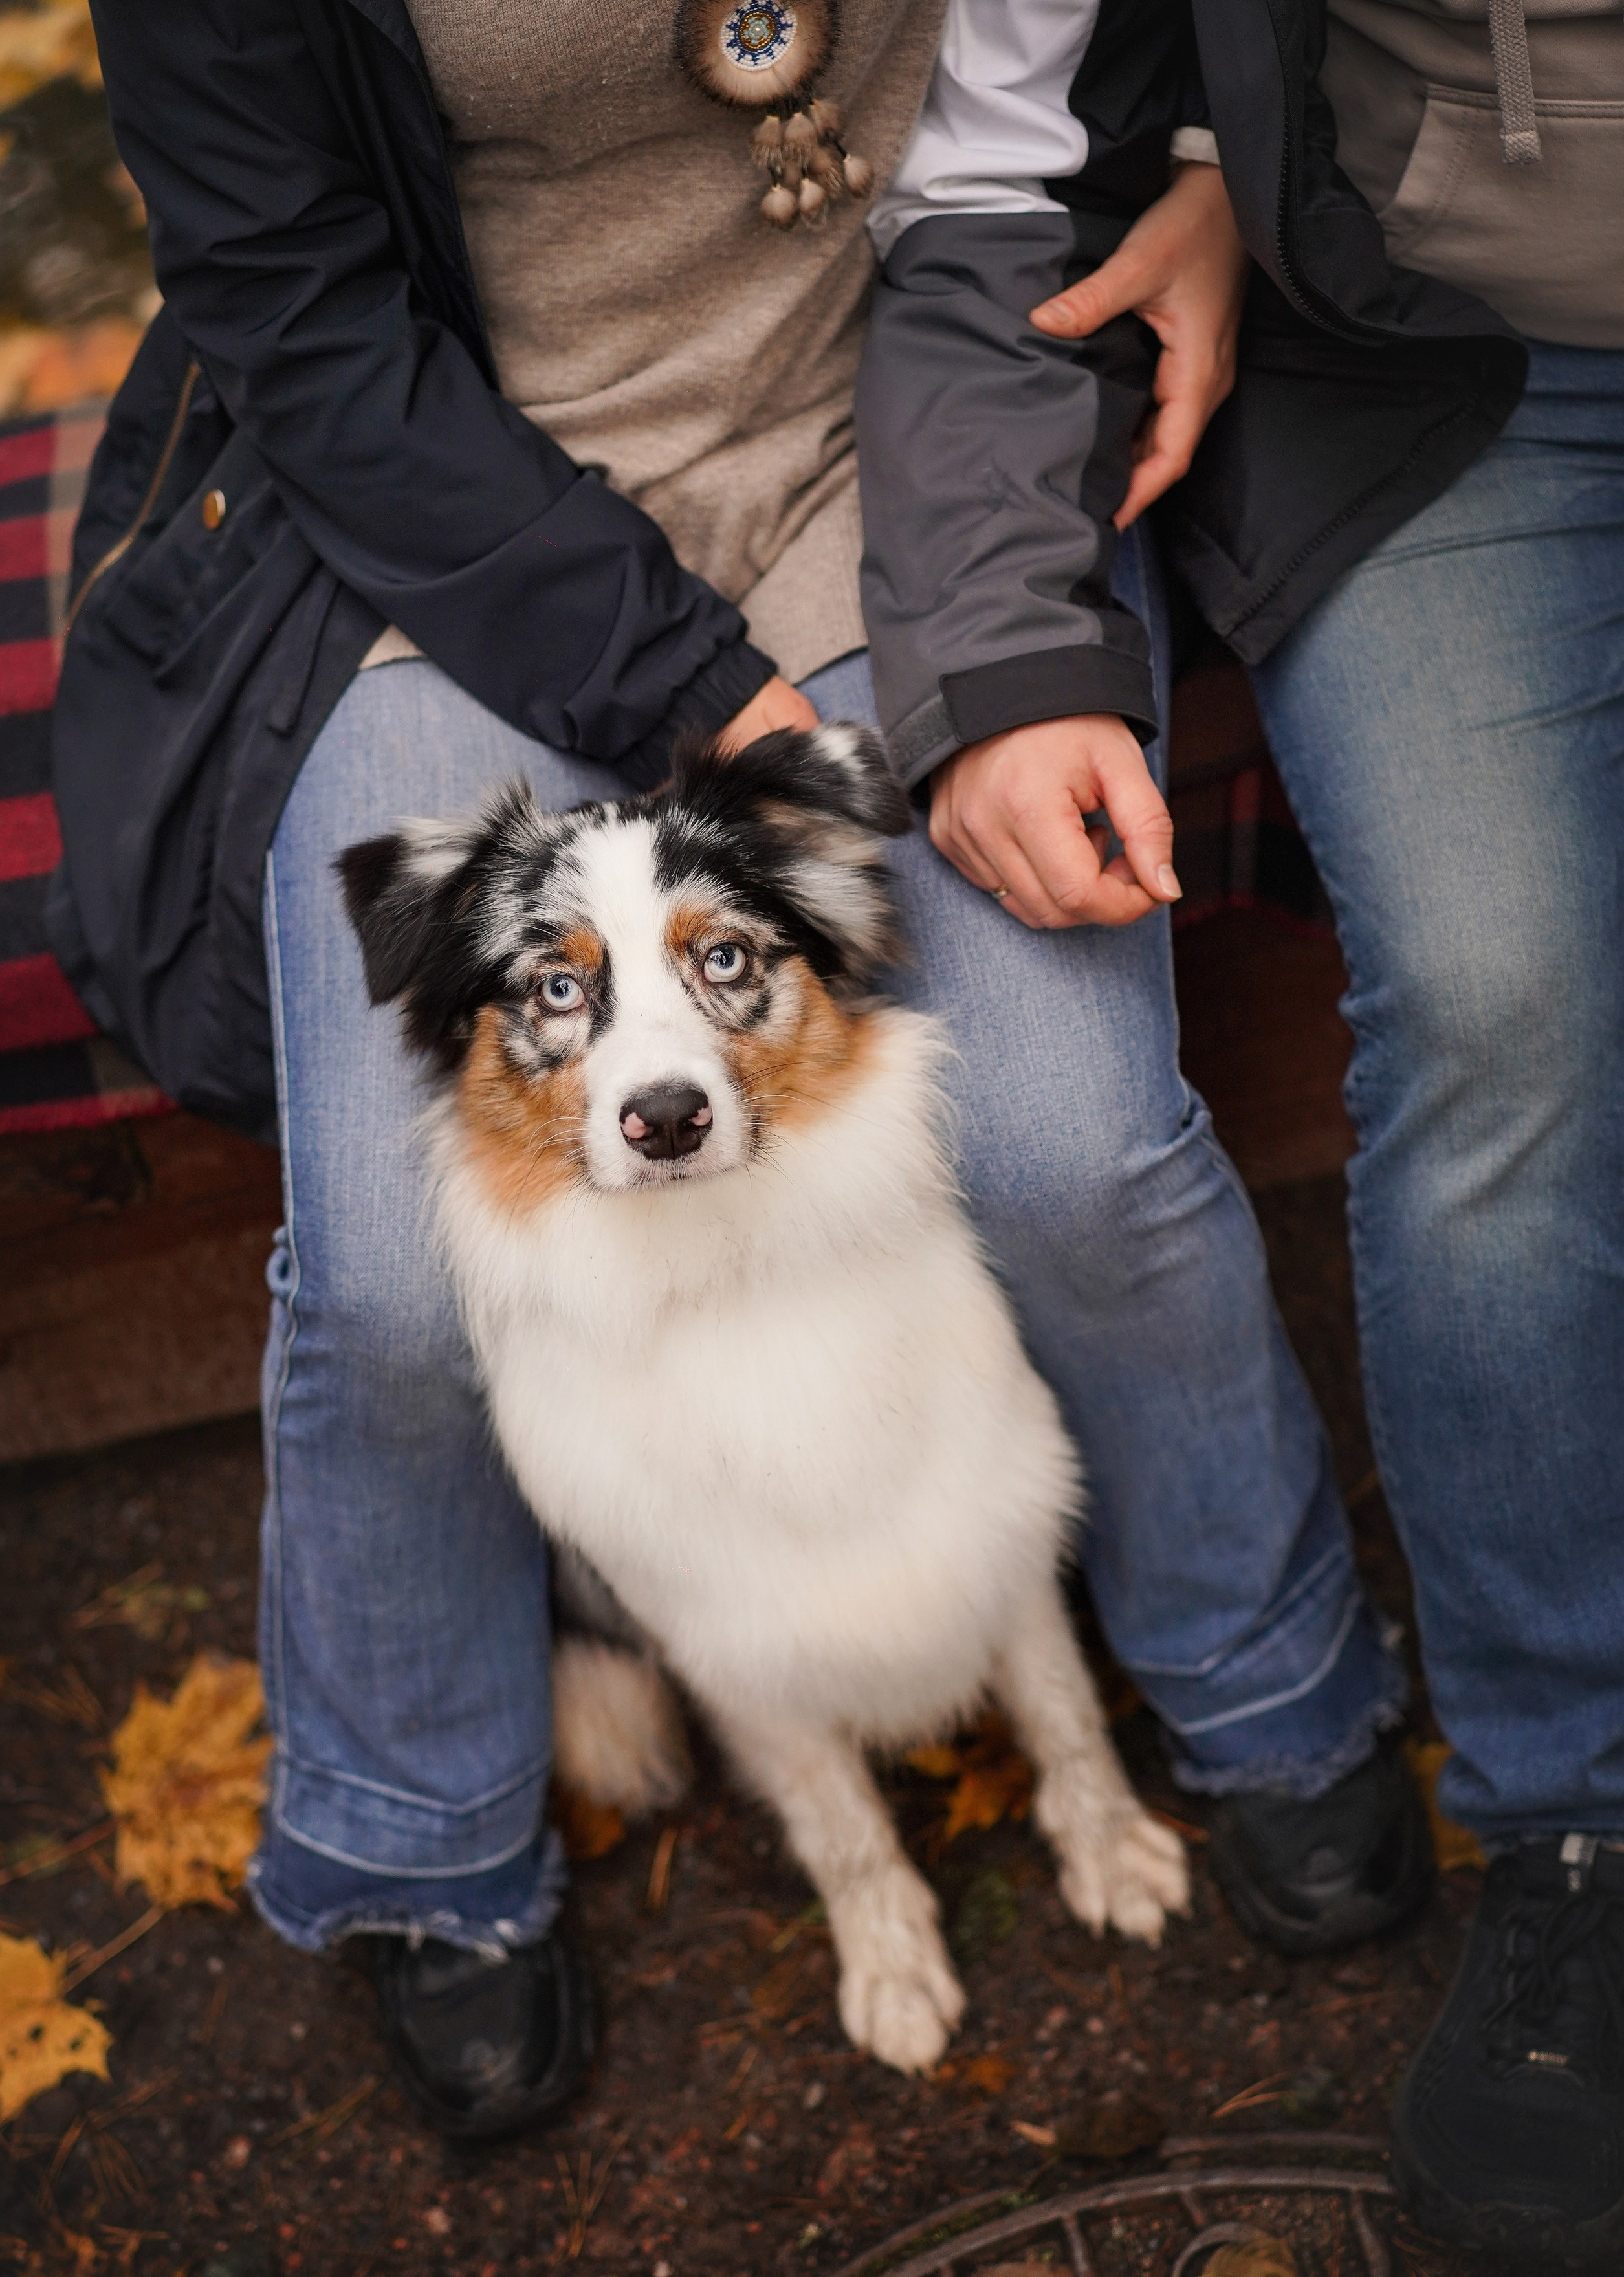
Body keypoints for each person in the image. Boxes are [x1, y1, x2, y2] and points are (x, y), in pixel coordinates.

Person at [43, 0, 1614, 2260]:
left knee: (1072, 1142)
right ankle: (423, 1837)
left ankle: (1269, 1686)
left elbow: (1138, 60)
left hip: (898, 456)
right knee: (393, 1284)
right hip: (430, 541)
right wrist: (698, 702)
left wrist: (1195, 161)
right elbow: (308, 343)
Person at [856, 0, 1623, 2266]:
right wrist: (1006, 658)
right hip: (1420, 363)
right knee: (1499, 1005)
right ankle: (1573, 1823)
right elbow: (1001, 180)